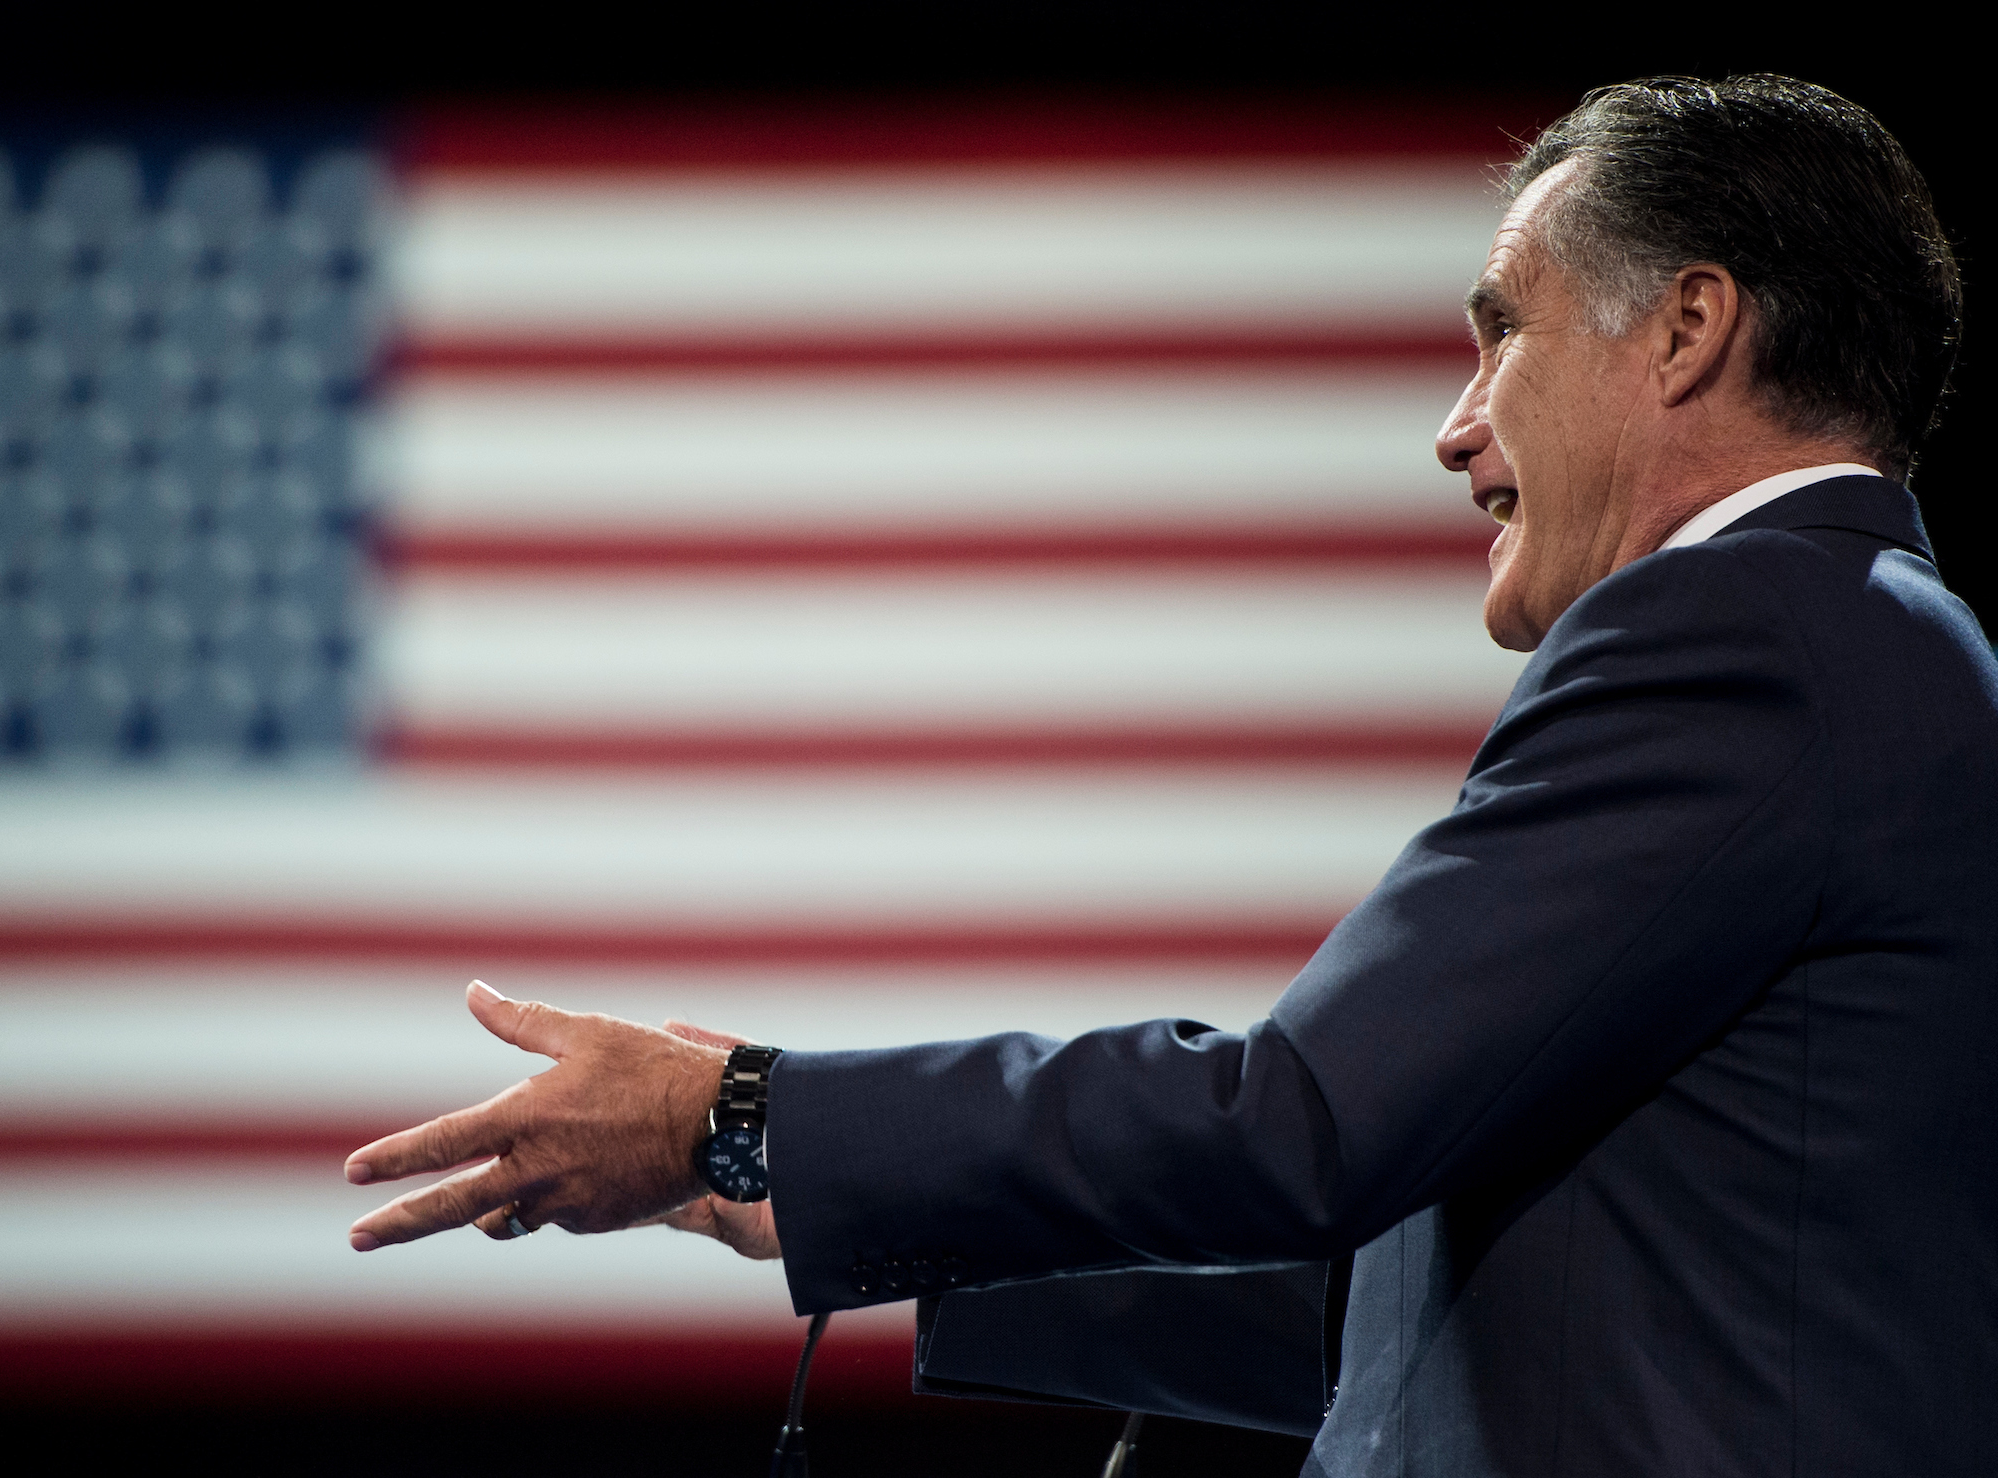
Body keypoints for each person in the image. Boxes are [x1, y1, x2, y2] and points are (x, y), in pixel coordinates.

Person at [341, 76, 1994, 1474]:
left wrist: (758, 1111)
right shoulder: (1853, 647)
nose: (1456, 427)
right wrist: (859, 1201)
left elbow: (1308, 1119)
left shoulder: (1747, 635)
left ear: (1690, 327)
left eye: (1502, 336)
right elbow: (1441, 1294)